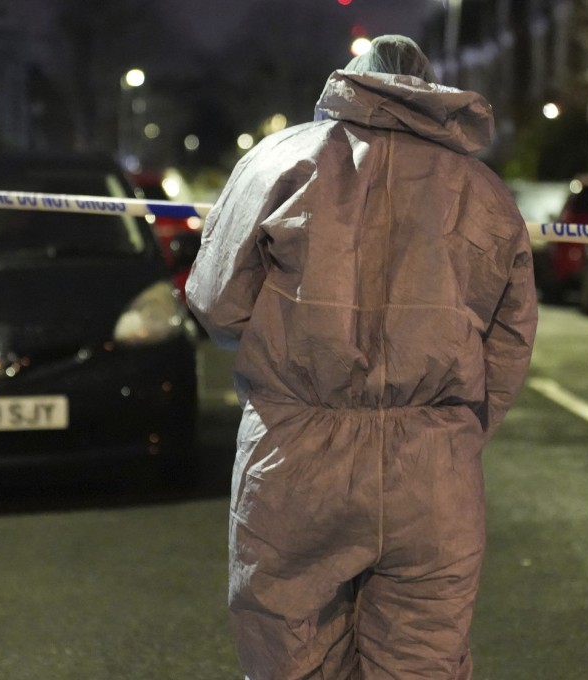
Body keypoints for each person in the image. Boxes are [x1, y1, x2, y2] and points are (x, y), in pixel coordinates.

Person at [185, 34, 537, 680]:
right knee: (421, 664)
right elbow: (509, 346)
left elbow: (216, 303)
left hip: (295, 460)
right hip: (431, 472)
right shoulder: (486, 195)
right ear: (432, 92)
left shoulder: (279, 163)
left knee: (290, 661)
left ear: (350, 81)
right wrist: (453, 433)